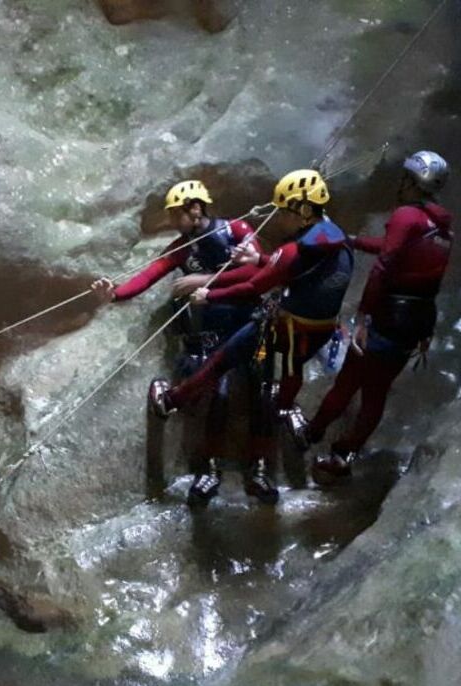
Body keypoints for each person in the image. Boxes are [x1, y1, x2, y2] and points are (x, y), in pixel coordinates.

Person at [148, 169, 355, 503]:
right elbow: (285, 271)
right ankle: (260, 470)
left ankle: (173, 402)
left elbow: (256, 284)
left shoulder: (290, 251)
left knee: (220, 368)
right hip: (308, 335)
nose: (281, 220)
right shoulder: (342, 243)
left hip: (271, 331)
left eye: (285, 211)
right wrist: (258, 259)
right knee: (263, 393)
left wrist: (208, 293)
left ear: (302, 210)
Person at [92, 179, 266, 505]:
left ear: (195, 208)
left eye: (176, 214)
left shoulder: (237, 230)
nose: (173, 221)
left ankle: (257, 470)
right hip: (214, 333)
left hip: (249, 325)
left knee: (261, 392)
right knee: (219, 395)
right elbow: (149, 275)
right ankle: (208, 470)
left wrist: (204, 280)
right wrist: (114, 294)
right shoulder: (182, 248)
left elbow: (263, 271)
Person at [298, 151, 453, 480]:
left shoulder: (407, 215)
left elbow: (385, 265)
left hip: (388, 316)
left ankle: (310, 434)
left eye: (405, 178)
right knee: (376, 393)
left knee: (348, 382)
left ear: (412, 182)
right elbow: (396, 250)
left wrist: (363, 316)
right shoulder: (440, 227)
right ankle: (343, 455)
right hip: (416, 320)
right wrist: (352, 240)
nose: (400, 184)